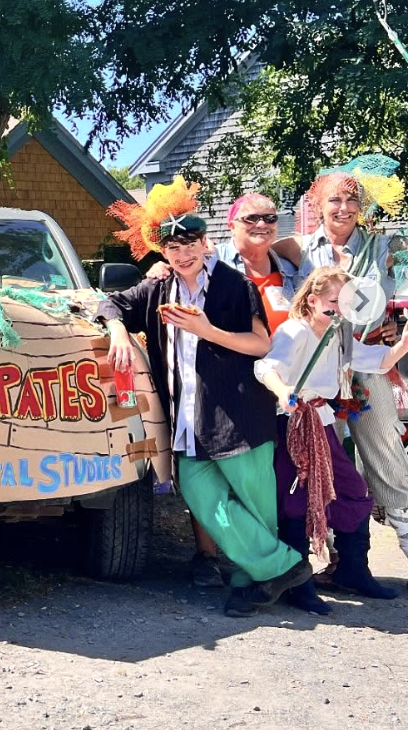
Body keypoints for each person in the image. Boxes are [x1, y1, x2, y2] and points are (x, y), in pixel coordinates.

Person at [100, 177, 311, 617]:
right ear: (163, 252)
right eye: (174, 247)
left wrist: (206, 330)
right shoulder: (158, 289)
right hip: (187, 420)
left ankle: (247, 588)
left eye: (190, 244)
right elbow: (112, 304)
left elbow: (261, 344)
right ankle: (285, 567)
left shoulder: (234, 285)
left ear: (204, 243)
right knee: (201, 496)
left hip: (240, 414)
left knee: (254, 507)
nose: (183, 254)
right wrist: (117, 329)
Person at [254, 267, 405, 613]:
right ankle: (299, 585)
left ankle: (352, 571)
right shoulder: (295, 330)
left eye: (345, 302)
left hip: (321, 422)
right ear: (312, 300)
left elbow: (377, 360)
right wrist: (283, 391)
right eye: (333, 301)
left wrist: (402, 345)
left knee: (352, 490)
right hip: (293, 424)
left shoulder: (338, 333)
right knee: (295, 500)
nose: (339, 309)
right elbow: (266, 367)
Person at [277, 167, 408, 559]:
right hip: (318, 369)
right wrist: (163, 264)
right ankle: (337, 555)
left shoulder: (384, 246)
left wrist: (396, 324)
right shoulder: (296, 248)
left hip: (367, 362)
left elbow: (397, 288)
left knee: (385, 444)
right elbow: (244, 253)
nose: (344, 207)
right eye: (335, 199)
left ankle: (402, 529)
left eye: (352, 199)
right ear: (318, 204)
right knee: (323, 455)